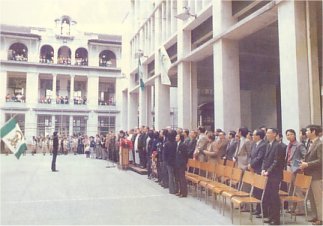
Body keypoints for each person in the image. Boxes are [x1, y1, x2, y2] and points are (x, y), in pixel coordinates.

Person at [299, 125, 322, 225]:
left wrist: (307, 164)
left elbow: (321, 160)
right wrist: (304, 161)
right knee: (311, 197)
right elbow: (309, 156)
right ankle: (314, 216)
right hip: (309, 173)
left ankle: (321, 218)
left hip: (316, 175)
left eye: (308, 131)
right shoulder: (309, 143)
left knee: (318, 198)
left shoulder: (320, 144)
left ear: (313, 132)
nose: (306, 132)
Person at [261, 128, 286, 225]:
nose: (267, 134)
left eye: (269, 133)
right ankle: (270, 216)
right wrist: (263, 169)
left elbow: (277, 161)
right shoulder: (268, 145)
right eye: (266, 133)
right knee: (269, 196)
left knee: (274, 197)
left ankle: (276, 219)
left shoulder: (278, 145)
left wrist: (268, 171)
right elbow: (265, 159)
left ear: (274, 134)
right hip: (268, 174)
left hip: (275, 175)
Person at [175, 133, 188, 198]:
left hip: (181, 164)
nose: (176, 137)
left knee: (182, 178)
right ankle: (180, 191)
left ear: (180, 137)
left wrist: (184, 163)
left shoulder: (183, 145)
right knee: (179, 178)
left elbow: (185, 155)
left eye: (177, 136)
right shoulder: (177, 144)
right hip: (177, 163)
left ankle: (184, 193)